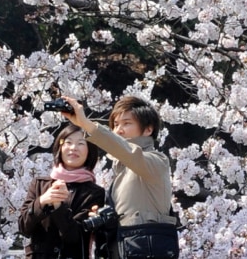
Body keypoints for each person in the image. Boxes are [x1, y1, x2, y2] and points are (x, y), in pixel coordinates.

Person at [61, 96, 176, 259]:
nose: (119, 130)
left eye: (127, 123)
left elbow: (130, 153)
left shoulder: (157, 162)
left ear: (148, 129)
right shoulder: (122, 171)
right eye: (115, 125)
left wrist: (86, 124)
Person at [19, 122, 106, 259]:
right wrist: (42, 201)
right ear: (60, 148)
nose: (73, 148)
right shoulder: (40, 184)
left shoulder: (94, 193)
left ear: (90, 150)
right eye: (68, 142)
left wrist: (59, 206)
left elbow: (75, 236)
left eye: (81, 144)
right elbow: (23, 227)